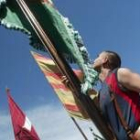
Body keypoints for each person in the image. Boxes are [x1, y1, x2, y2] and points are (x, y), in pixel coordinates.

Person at [93, 50, 140, 140]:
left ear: (105, 60)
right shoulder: (100, 94)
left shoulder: (119, 74)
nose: (94, 60)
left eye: (98, 56)